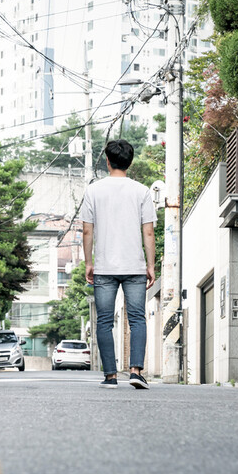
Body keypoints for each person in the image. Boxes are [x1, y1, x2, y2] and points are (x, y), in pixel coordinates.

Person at [79, 139, 156, 389]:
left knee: (104, 321)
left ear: (108, 162)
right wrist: (151, 266)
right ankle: (135, 372)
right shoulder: (142, 191)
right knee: (137, 319)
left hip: (104, 267)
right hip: (134, 266)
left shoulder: (93, 190)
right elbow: (149, 233)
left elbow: (87, 231)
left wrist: (89, 262)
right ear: (130, 163)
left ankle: (110, 376)